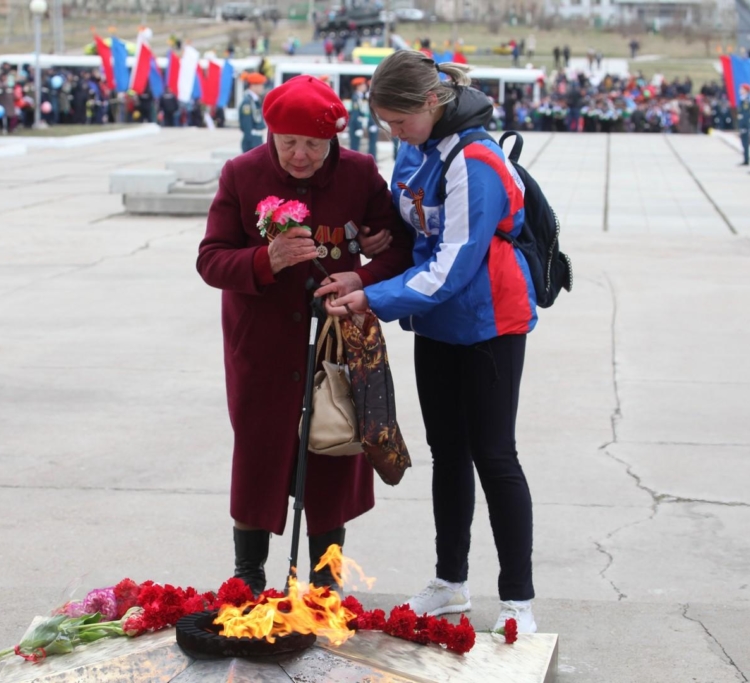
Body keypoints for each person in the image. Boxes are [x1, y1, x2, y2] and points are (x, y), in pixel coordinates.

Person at [321, 50, 540, 636]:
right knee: (448, 454)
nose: (394, 134)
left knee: (495, 455)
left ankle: (517, 598)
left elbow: (454, 265)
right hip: (437, 323)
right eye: (386, 125)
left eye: (400, 122)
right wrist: (374, 242)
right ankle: (450, 583)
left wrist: (374, 298)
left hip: (490, 321)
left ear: (432, 102)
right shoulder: (416, 150)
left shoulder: (476, 159)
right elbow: (411, 229)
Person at [196, 75, 413, 596]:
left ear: (333, 139)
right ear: (269, 133)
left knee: (333, 448)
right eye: (288, 142)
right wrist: (263, 259)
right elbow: (210, 259)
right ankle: (248, 571)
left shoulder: (359, 173)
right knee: (259, 449)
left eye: (313, 145)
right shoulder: (242, 173)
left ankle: (324, 577)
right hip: (262, 343)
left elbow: (398, 247)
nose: (299, 155)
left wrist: (363, 275)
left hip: (336, 341)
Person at [238, 72, 267, 153]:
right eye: (260, 85)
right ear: (253, 86)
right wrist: (251, 144)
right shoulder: (247, 103)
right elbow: (247, 125)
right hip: (252, 142)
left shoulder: (254, 101)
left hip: (256, 140)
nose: (262, 87)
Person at [737, 83, 750, 166]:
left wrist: (745, 126)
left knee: (745, 143)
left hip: (745, 125)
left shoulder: (746, 101)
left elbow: (746, 115)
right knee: (743, 143)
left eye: (742, 89)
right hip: (742, 125)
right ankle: (745, 159)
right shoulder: (742, 100)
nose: (740, 91)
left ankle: (746, 159)